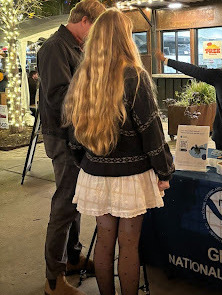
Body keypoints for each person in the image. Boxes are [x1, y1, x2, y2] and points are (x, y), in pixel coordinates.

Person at [62, 8, 174, 295]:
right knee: (129, 244)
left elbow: (73, 136)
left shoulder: (83, 77)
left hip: (94, 173)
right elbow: (151, 131)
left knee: (103, 242)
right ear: (125, 38)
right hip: (131, 175)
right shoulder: (134, 76)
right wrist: (164, 171)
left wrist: (86, 163)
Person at [37, 1, 106, 294]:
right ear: (86, 21)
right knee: (65, 205)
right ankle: (54, 279)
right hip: (63, 136)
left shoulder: (75, 47)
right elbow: (59, 97)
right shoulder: (55, 47)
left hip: (75, 136)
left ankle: (73, 257)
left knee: (76, 201)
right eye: (97, 29)